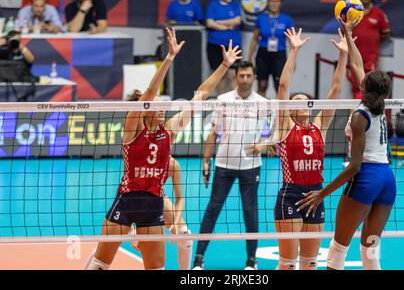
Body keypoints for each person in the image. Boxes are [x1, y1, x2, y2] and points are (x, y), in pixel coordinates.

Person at [84, 28, 242, 270]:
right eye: (156, 105)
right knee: (100, 264)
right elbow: (148, 93)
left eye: (163, 106)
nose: (162, 109)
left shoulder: (167, 131)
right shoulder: (132, 129)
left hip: (153, 204)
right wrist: (169, 58)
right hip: (126, 200)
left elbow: (200, 97)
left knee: (156, 268)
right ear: (145, 107)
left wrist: (223, 65)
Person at [297, 16, 395, 270]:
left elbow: (355, 167)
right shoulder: (381, 107)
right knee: (370, 248)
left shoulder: (360, 115)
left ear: (364, 86)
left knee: (339, 246)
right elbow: (357, 63)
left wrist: (322, 193)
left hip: (366, 178)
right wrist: (349, 35)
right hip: (387, 179)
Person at [272, 27, 348, 270]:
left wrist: (344, 55)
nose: (302, 102)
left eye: (306, 99)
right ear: (291, 109)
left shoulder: (319, 127)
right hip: (291, 196)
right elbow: (283, 86)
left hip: (317, 195)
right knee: (288, 264)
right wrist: (294, 51)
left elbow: (335, 89)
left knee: (310, 263)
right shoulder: (285, 126)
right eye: (297, 101)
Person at [193, 61, 272, 271]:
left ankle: (251, 261)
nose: (245, 79)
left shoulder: (263, 103)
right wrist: (206, 160)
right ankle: (198, 259)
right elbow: (213, 132)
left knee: (250, 212)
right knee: (213, 209)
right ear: (235, 77)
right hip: (224, 164)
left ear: (254, 77)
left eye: (248, 76)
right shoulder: (223, 100)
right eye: (241, 76)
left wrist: (263, 144)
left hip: (251, 166)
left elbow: (274, 136)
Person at [131, 156, 193, 269]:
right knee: (108, 244)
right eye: (170, 136)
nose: (172, 138)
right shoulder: (142, 158)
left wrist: (176, 223)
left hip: (157, 196)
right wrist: (134, 231)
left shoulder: (173, 164)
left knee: (184, 234)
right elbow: (132, 196)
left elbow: (180, 198)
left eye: (174, 137)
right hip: (132, 201)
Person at [348, 0, 391, 99]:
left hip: (371, 57)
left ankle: (368, 108)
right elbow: (345, 31)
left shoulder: (379, 14)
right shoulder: (352, 13)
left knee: (369, 84)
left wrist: (374, 39)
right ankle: (356, 112)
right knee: (355, 85)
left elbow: (386, 33)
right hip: (353, 56)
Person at [248, 0, 294, 97]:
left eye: (276, 1)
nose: (274, 3)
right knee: (262, 85)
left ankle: (279, 112)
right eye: (271, 1)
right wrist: (250, 57)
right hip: (263, 54)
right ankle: (261, 112)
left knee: (279, 86)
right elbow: (254, 39)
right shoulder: (261, 18)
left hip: (279, 54)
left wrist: (292, 60)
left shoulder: (287, 20)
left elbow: (292, 41)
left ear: (280, 3)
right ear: (268, 3)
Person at [206, 0, 242, 94]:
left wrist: (218, 22)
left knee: (233, 75)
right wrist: (227, 26)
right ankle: (221, 103)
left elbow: (237, 20)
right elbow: (209, 23)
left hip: (233, 45)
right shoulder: (213, 5)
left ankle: (235, 104)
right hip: (215, 44)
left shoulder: (236, 4)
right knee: (219, 76)